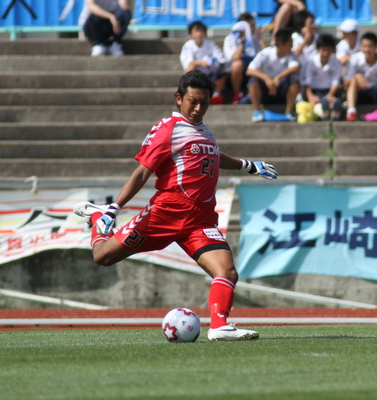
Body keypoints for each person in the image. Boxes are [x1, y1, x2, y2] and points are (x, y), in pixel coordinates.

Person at [73, 70, 278, 342]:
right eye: (192, 101)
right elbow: (142, 172)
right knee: (103, 257)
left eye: (204, 103)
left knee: (227, 271)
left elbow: (215, 157)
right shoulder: (169, 127)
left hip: (201, 219)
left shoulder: (205, 131)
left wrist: (248, 165)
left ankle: (219, 326)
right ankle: (96, 215)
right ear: (179, 98)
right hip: (167, 212)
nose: (197, 108)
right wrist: (114, 208)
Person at [246, 28, 301, 122]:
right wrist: (267, 78)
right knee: (253, 80)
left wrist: (278, 78)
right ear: (280, 43)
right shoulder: (265, 53)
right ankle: (256, 111)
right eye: (290, 43)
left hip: (281, 91)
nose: (292, 46)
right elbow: (250, 70)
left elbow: (295, 68)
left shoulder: (290, 55)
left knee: (294, 79)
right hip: (265, 91)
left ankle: (289, 111)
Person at [344, 32, 377, 122]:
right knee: (353, 80)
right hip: (361, 92)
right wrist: (357, 77)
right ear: (360, 47)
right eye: (364, 46)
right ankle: (351, 112)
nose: (367, 50)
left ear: (376, 47)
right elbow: (345, 83)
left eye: (370, 46)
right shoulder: (354, 59)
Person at [180, 21, 228, 105]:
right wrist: (204, 62)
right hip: (196, 74)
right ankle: (188, 92)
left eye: (201, 31)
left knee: (223, 71)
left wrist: (213, 62)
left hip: (210, 73)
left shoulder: (211, 44)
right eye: (196, 32)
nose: (199, 34)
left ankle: (216, 95)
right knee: (190, 68)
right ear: (191, 35)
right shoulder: (188, 45)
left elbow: (221, 60)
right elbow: (189, 62)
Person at [223, 13, 265, 104]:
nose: (253, 29)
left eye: (254, 26)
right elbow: (235, 57)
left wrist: (259, 39)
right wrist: (243, 41)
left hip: (250, 71)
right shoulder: (231, 38)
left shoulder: (254, 39)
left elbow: (264, 56)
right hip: (233, 74)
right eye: (250, 27)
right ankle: (237, 94)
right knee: (238, 64)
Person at [303, 34, 343, 120]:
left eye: (328, 50)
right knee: (318, 104)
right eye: (323, 50)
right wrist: (311, 97)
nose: (326, 53)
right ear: (318, 50)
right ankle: (326, 113)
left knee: (332, 101)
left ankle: (332, 111)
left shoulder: (336, 64)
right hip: (315, 91)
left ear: (332, 50)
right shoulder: (310, 63)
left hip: (329, 91)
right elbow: (306, 83)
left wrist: (330, 95)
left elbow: (335, 82)